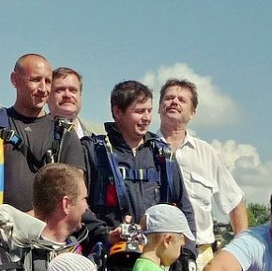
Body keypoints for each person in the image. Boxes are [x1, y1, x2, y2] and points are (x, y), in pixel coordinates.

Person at [82, 80, 196, 246]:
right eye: (139, 111)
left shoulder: (162, 155)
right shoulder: (94, 151)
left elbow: (184, 208)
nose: (147, 118)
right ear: (117, 111)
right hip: (107, 255)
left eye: (149, 111)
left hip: (155, 256)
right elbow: (77, 206)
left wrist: (187, 253)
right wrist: (106, 234)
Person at [0, 54, 85, 212]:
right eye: (36, 80)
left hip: (48, 232)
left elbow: (76, 195)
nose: (43, 89)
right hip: (0, 229)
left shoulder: (64, 133)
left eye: (48, 81)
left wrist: (29, 221)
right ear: (15, 79)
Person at [157, 78, 248, 271]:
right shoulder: (142, 149)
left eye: (182, 99)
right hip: (154, 254)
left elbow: (235, 201)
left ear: (193, 112)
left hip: (199, 258)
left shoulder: (206, 153)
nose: (174, 102)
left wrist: (241, 251)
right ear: (158, 107)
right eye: (169, 97)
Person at [48, 67, 98, 138]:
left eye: (73, 90)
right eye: (60, 90)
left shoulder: (99, 135)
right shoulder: (34, 134)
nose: (67, 95)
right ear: (47, 96)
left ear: (80, 95)